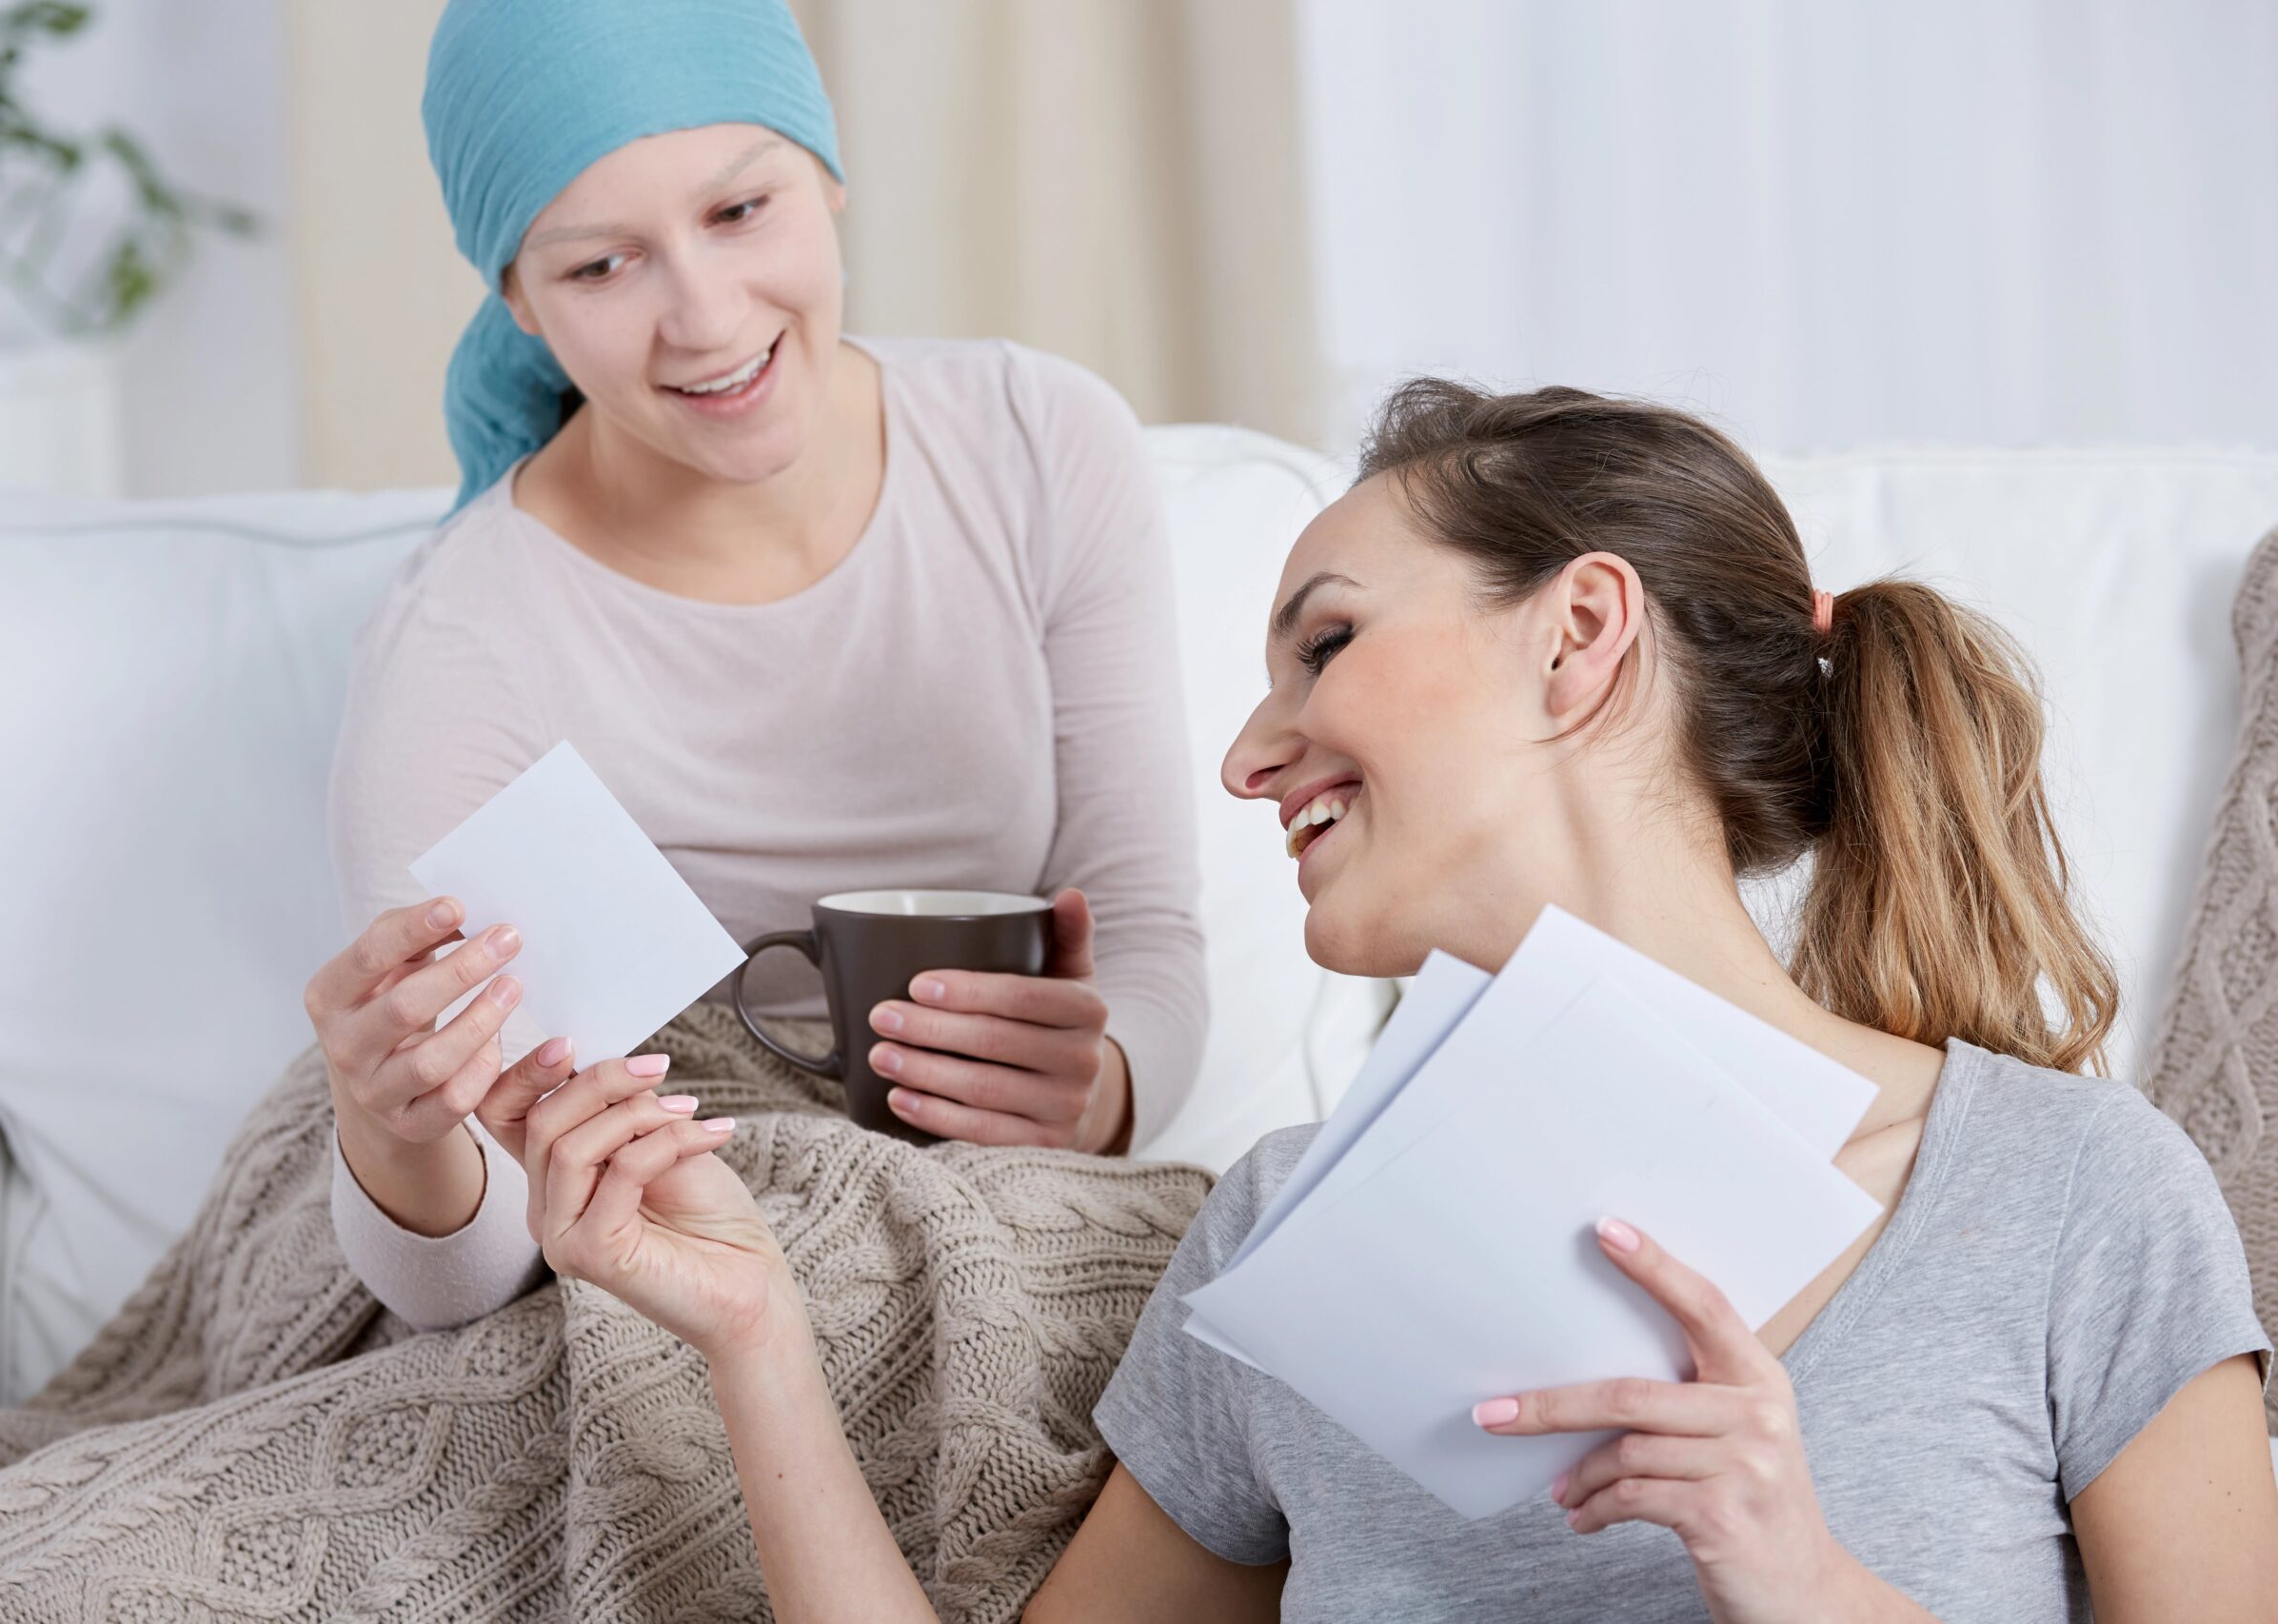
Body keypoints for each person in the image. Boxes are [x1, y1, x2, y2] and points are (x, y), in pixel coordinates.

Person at [514, 380, 2278, 1619]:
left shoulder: (2075, 1197)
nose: (1245, 753)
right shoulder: (1292, 1237)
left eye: (1329, 643)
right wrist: (753, 1338)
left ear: (1580, 639)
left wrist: (1801, 1578)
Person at [311, 0, 1205, 1332]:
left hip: (999, 1231)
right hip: (631, 1286)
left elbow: (1150, 943)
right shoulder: (463, 640)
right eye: (603, 267)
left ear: (826, 174)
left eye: (740, 212)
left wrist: (1103, 1083)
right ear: (518, 299)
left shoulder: (1039, 447)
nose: (707, 316)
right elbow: (462, 1280)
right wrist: (396, 1136)